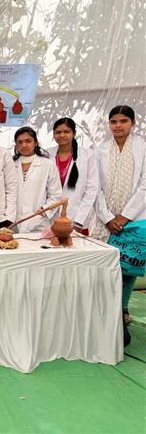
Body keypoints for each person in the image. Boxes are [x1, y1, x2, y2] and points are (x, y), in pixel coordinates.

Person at [92, 106, 146, 325]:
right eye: (114, 121)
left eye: (124, 121)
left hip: (134, 218)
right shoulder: (100, 150)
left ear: (133, 123)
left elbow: (144, 185)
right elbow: (95, 187)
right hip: (106, 219)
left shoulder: (142, 148)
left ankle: (123, 307)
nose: (118, 125)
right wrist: (107, 218)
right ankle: (104, 308)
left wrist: (124, 217)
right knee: (106, 264)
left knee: (129, 264)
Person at [48, 118, 99, 234]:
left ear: (74, 133)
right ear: (54, 134)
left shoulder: (87, 155)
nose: (62, 135)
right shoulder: (47, 154)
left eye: (66, 132)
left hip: (76, 218)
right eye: (58, 132)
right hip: (50, 219)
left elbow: (92, 189)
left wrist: (79, 221)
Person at [13, 127, 62, 233]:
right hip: (13, 221)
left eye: (28, 141)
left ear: (36, 143)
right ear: (16, 145)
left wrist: (44, 210)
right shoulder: (10, 164)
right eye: (20, 142)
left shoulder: (47, 164)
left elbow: (56, 194)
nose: (24, 145)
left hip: (38, 221)